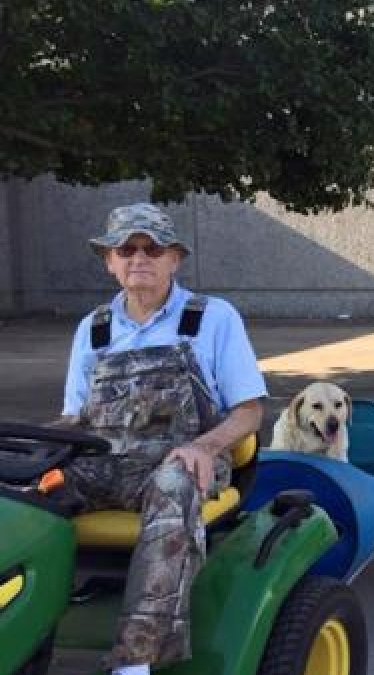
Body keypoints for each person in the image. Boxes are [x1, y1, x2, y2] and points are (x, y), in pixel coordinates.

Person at [57, 203, 267, 675]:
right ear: (109, 261)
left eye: (152, 248)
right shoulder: (92, 330)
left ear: (174, 258)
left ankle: (135, 663)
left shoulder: (212, 318)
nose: (139, 258)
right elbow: (75, 418)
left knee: (174, 483)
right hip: (108, 462)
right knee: (31, 488)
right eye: (126, 249)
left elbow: (250, 412)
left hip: (187, 458)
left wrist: (205, 447)